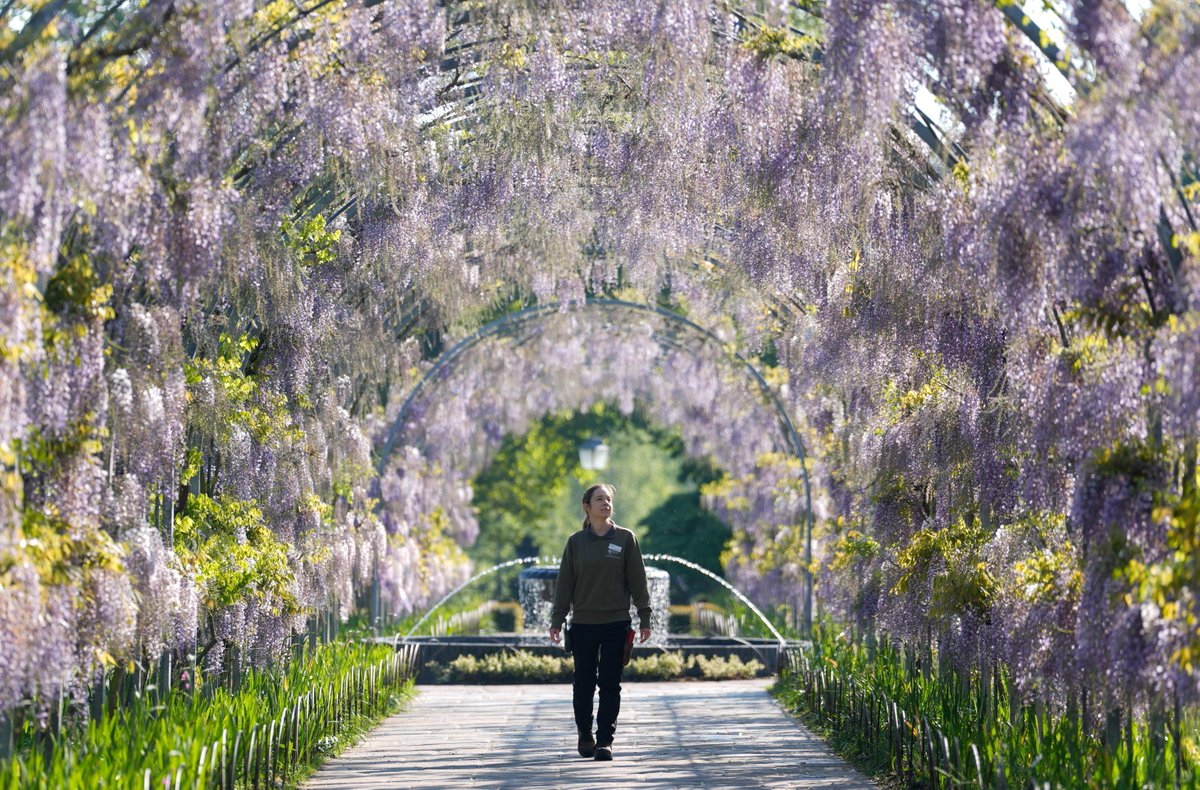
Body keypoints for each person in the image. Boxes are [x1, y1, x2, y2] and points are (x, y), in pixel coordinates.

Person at [549, 483, 652, 762]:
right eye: (599, 499)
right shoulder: (575, 543)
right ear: (587, 506)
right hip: (582, 624)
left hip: (616, 623)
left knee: (610, 683)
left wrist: (645, 616)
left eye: (608, 499)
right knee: (583, 683)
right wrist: (557, 620)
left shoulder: (625, 539)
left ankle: (605, 741)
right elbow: (565, 585)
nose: (605, 504)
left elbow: (638, 580)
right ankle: (585, 736)